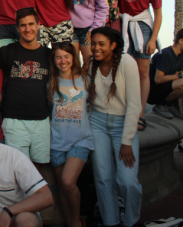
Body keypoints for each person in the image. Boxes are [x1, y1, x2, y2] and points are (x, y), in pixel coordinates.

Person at [88, 27, 142, 227]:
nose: (96, 48)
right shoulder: (92, 64)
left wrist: (127, 140)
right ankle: (111, 222)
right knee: (102, 178)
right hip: (97, 122)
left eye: (101, 44)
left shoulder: (127, 63)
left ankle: (131, 221)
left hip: (123, 125)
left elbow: (135, 104)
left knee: (127, 181)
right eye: (93, 43)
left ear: (113, 45)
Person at [0, 8, 51, 168]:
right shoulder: (6, 52)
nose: (28, 29)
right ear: (17, 28)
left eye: (31, 24)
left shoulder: (49, 55)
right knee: (17, 170)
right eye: (23, 25)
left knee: (40, 168)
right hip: (14, 121)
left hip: (41, 121)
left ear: (39, 25)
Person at [48, 42, 93, 227]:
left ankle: (76, 222)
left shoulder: (85, 79)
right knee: (62, 189)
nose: (63, 61)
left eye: (67, 56)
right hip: (56, 140)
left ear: (74, 58)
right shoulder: (51, 82)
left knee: (68, 182)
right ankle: (70, 222)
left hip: (80, 140)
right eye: (58, 57)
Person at [119, 0, 163, 131]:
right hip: (123, 24)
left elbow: (158, 13)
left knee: (143, 71)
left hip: (143, 26)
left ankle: (141, 113)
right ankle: (124, 110)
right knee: (123, 70)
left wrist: (153, 39)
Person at [148, 29, 183, 119]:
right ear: (181, 41)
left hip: (166, 89)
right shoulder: (166, 54)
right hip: (153, 92)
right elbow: (158, 79)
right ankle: (161, 105)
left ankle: (171, 106)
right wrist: (179, 75)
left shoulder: (180, 56)